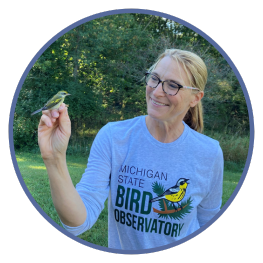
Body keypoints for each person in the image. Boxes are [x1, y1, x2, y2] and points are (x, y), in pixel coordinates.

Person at [38, 49, 223, 250]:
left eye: (173, 85)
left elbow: (207, 221)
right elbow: (78, 222)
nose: (157, 91)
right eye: (155, 78)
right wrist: (54, 157)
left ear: (195, 98)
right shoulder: (113, 137)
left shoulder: (210, 153)